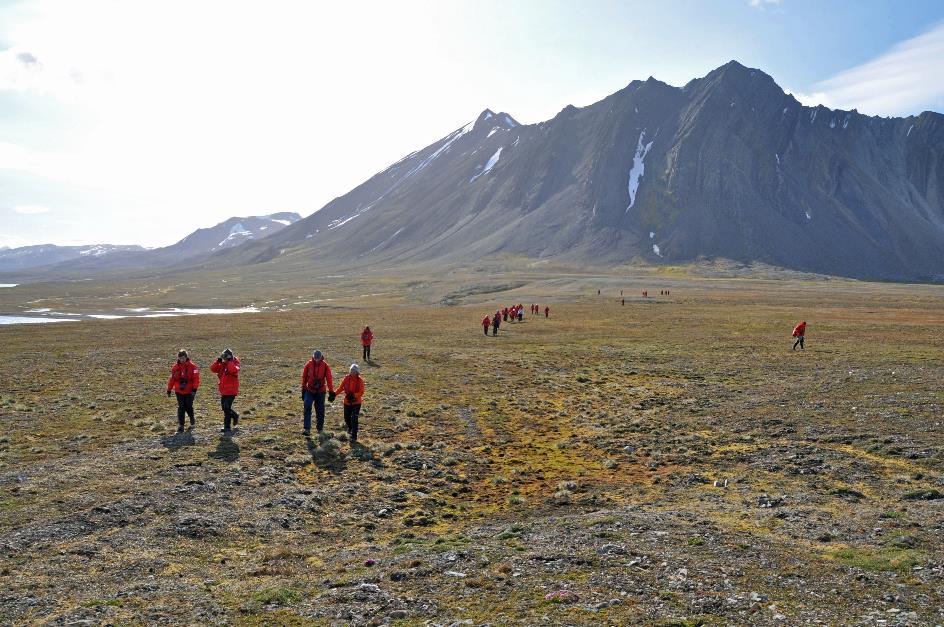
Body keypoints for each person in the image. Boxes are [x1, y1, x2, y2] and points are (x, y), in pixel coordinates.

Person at [301, 349, 333, 436]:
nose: (316, 359)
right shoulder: (308, 364)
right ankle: (306, 429)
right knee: (307, 407)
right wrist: (303, 389)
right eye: (315, 358)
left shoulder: (325, 366)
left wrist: (331, 392)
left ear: (321, 357)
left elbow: (329, 379)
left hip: (321, 391)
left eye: (318, 358)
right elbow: (304, 377)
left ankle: (320, 429)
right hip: (309, 389)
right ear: (313, 357)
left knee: (320, 410)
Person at [167, 349, 200, 432]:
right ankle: (181, 425)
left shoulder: (193, 367)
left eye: (183, 358)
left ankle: (192, 421)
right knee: (181, 407)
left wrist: (194, 389)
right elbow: (172, 379)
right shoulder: (175, 367)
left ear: (186, 357)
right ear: (178, 358)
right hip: (179, 391)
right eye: (180, 358)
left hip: (189, 391)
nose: (182, 360)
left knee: (188, 406)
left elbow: (196, 379)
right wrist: (169, 389)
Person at [209, 348, 240, 433]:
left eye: (225, 357)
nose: (224, 359)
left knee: (227, 407)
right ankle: (235, 415)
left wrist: (229, 361)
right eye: (223, 357)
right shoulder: (223, 364)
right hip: (224, 390)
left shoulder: (235, 363)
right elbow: (213, 369)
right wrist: (217, 361)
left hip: (232, 390)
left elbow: (234, 370)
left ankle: (227, 427)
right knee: (224, 407)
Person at [333, 364, 365, 443]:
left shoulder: (360, 380)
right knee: (346, 418)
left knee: (354, 418)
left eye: (354, 371)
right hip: (347, 402)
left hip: (356, 402)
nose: (352, 372)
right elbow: (340, 388)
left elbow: (361, 391)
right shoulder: (346, 378)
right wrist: (333, 394)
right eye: (351, 370)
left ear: (357, 372)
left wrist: (354, 395)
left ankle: (354, 436)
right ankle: (350, 428)